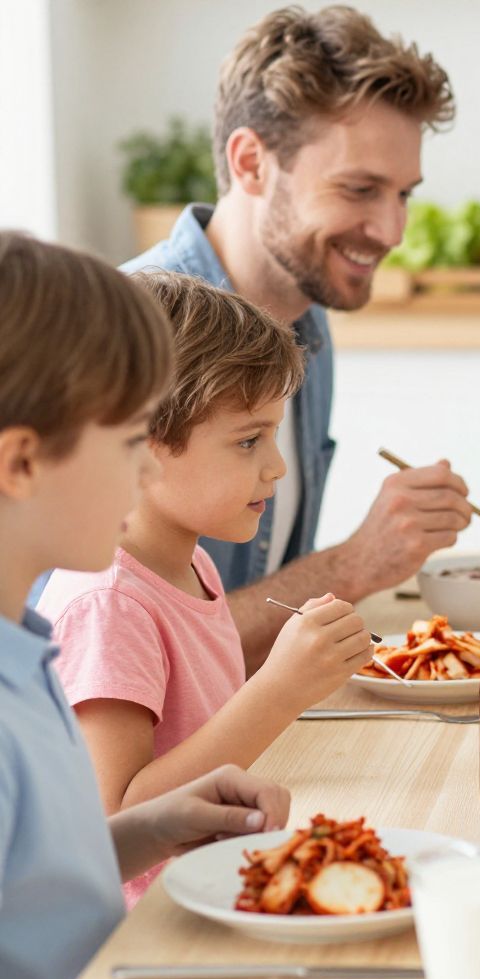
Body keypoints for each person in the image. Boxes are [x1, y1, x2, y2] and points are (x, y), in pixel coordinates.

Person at [120, 5, 472, 667]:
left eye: (404, 195)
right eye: (361, 188)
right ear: (252, 162)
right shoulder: (130, 337)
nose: (393, 231)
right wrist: (353, 565)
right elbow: (95, 644)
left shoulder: (306, 318)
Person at [0, 232, 292, 979]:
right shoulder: (81, 618)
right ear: (22, 464)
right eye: (130, 443)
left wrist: (157, 827)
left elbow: (39, 875)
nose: (144, 473)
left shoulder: (22, 646)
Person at [37, 273, 374, 904]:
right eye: (249, 440)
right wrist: (281, 690)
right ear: (139, 444)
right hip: (147, 927)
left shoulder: (193, 565)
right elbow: (118, 815)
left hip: (207, 890)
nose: (275, 465)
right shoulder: (108, 602)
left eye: (274, 433)